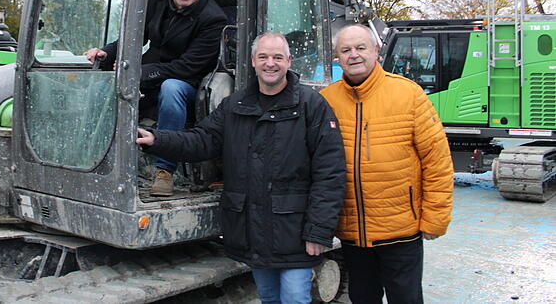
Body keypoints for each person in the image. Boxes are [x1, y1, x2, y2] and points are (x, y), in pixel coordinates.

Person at [137, 32, 346, 303]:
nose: (270, 63)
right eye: (263, 57)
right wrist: (158, 139)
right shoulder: (236, 105)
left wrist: (318, 231)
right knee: (269, 297)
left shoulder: (311, 105)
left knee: (295, 297)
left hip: (294, 229)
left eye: (277, 57)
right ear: (253, 62)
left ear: (289, 61)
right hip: (254, 230)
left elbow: (330, 172)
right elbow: (203, 140)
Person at [320, 25, 454, 304]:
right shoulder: (326, 100)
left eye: (361, 48)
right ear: (337, 57)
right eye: (345, 50)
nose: (353, 55)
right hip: (353, 234)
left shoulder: (408, 94)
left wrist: (434, 219)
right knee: (362, 297)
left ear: (377, 51)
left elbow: (437, 161)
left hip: (401, 232)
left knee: (405, 298)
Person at [85, 0, 227, 196]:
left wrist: (141, 73)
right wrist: (106, 53)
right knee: (105, 85)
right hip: (152, 74)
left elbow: (186, 67)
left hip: (190, 83)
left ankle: (165, 171)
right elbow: (133, 39)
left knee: (171, 88)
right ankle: (94, 157)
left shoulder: (214, 19)